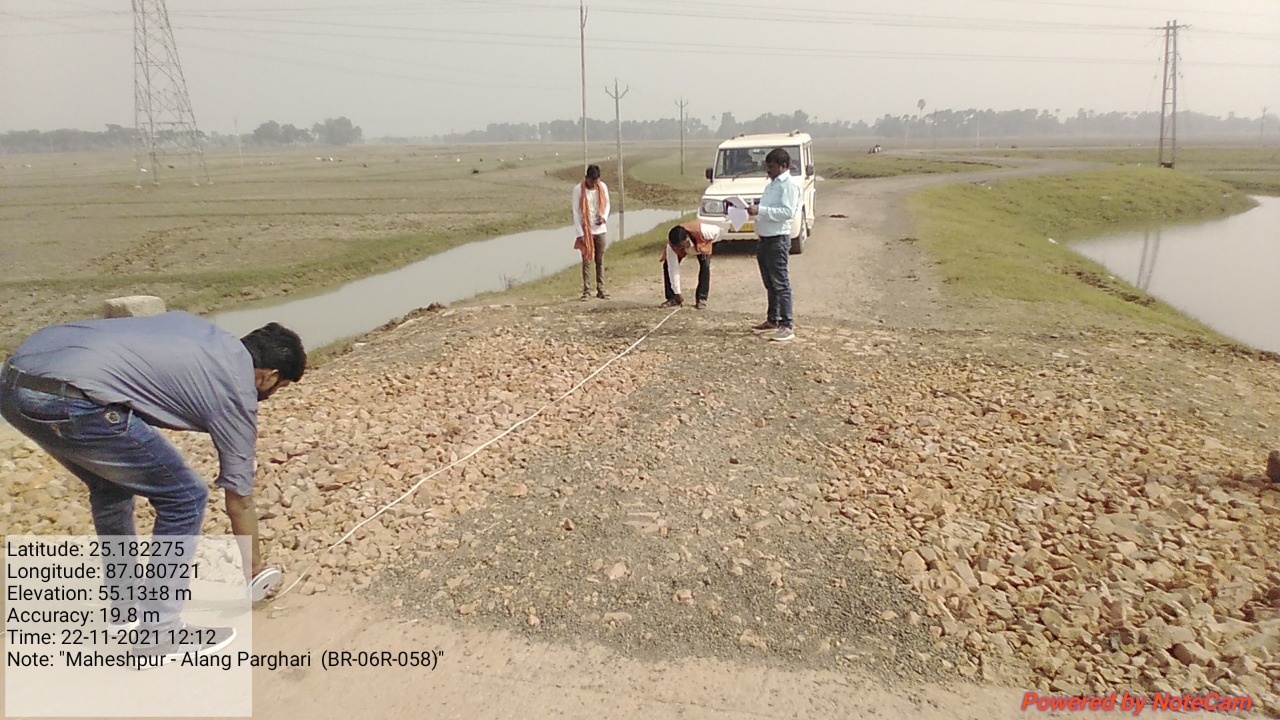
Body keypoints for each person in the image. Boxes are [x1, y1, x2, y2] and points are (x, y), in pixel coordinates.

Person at [0, 311, 306, 659]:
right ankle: (160, 634)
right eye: (279, 389)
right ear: (269, 376)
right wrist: (254, 570)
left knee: (111, 487)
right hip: (71, 398)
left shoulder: (203, 333)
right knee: (186, 497)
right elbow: (240, 499)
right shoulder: (238, 392)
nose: (271, 396)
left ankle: (125, 608)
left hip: (13, 382)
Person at [747, 147, 801, 342]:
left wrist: (761, 210)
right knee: (770, 283)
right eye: (767, 167)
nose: (768, 171)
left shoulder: (788, 185)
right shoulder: (772, 185)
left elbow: (787, 212)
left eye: (771, 167)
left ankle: (787, 325)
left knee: (781, 284)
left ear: (783, 166)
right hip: (765, 239)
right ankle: (773, 319)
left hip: (777, 239)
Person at [660, 221, 721, 309]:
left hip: (702, 245)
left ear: (686, 239)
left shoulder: (705, 231)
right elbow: (673, 269)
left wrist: (707, 245)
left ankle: (701, 298)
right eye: (677, 247)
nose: (679, 248)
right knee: (667, 266)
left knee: (705, 266)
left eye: (681, 246)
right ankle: (672, 298)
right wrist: (677, 292)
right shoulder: (672, 247)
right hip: (693, 246)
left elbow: (718, 231)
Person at [572, 164, 611, 300]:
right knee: (586, 262)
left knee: (599, 261)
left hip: (600, 230)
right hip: (586, 231)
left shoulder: (603, 187)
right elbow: (576, 212)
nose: (594, 184)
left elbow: (607, 204)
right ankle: (587, 291)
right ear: (586, 178)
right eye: (591, 182)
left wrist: (604, 217)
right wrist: (580, 233)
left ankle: (601, 289)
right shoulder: (578, 190)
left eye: (596, 182)